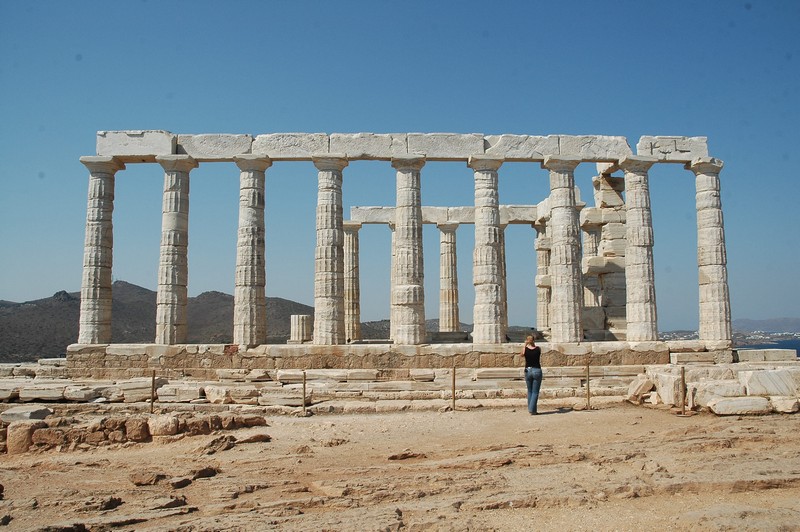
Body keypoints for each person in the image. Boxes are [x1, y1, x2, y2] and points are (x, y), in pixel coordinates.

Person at [521, 335, 542, 415]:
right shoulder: (538, 349)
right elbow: (537, 350)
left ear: (527, 340)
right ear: (534, 340)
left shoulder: (525, 349)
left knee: (530, 391)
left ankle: (532, 409)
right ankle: (532, 410)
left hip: (528, 370)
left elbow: (522, 354)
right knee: (535, 392)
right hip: (537, 370)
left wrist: (525, 345)